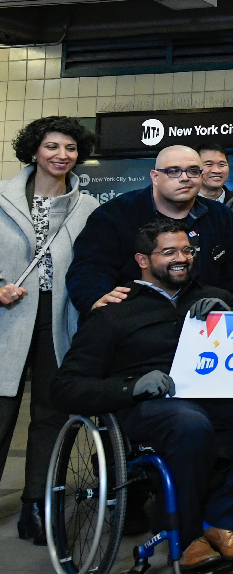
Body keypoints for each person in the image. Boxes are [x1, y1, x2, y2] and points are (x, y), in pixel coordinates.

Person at [50, 219, 233, 570]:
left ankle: (223, 523)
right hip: (146, 407)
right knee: (189, 423)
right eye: (169, 252)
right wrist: (131, 386)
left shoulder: (214, 298)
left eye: (187, 250)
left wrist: (231, 321)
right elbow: (65, 387)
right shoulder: (113, 313)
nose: (181, 258)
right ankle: (190, 535)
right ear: (142, 260)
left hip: (210, 398)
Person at [0, 116, 98, 545]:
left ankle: (37, 506)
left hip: (60, 320)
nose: (62, 155)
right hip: (7, 317)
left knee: (50, 415)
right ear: (35, 150)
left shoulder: (88, 207)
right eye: (53, 146)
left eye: (71, 148)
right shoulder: (1, 197)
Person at [67, 144, 233, 314]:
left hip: (201, 324)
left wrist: (222, 309)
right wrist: (96, 298)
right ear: (155, 176)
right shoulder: (115, 214)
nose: (185, 177)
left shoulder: (221, 217)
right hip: (133, 325)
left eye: (193, 171)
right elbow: (89, 267)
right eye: (174, 171)